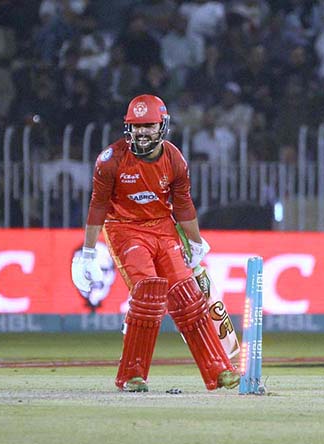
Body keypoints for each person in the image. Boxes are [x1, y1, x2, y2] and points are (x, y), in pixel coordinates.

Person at [71, 94, 239, 393]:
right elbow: (97, 206)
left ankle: (219, 371)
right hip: (125, 229)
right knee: (149, 292)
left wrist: (196, 242)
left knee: (188, 297)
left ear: (162, 125)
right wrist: (86, 252)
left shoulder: (174, 158)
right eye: (135, 126)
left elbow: (183, 204)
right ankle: (131, 376)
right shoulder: (110, 160)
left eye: (148, 125)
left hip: (163, 228)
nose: (141, 132)